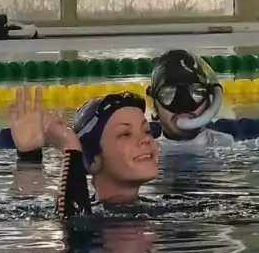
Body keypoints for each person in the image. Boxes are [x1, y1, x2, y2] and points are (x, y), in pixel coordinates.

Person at [10, 87, 158, 219]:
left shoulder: (168, 208)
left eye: (146, 131)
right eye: (125, 134)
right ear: (93, 161)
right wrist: (31, 156)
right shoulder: (93, 216)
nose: (145, 139)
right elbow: (72, 223)